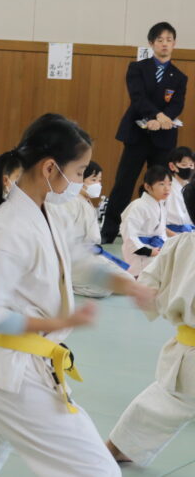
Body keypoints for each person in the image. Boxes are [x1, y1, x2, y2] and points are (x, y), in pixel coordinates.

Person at [0, 113, 152, 476]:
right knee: (97, 470)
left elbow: (79, 261)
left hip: (4, 367)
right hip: (11, 372)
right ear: (50, 168)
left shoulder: (47, 213)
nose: (81, 182)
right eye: (79, 172)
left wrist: (129, 284)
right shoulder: (6, 228)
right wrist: (58, 322)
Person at [106, 185, 195, 467]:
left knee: (165, 400)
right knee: (165, 401)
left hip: (185, 347)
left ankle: (115, 449)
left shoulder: (181, 243)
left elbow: (147, 285)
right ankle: (113, 449)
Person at [101, 22, 187, 244]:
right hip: (137, 135)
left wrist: (163, 119)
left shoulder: (179, 77)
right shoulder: (137, 68)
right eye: (160, 40)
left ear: (174, 44)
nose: (164, 44)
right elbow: (137, 97)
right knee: (124, 182)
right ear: (151, 43)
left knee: (159, 185)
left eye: (169, 40)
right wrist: (156, 116)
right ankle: (108, 231)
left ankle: (152, 231)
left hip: (164, 138)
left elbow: (177, 104)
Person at [51, 161, 128, 299]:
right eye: (93, 180)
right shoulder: (71, 202)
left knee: (127, 281)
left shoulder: (86, 202)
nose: (98, 184)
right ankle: (65, 283)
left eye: (99, 180)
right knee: (103, 289)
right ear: (80, 179)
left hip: (91, 255)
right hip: (74, 258)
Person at [120, 166, 170, 277]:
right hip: (141, 252)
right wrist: (148, 251)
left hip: (156, 248)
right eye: (162, 184)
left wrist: (163, 247)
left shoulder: (161, 204)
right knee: (145, 277)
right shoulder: (137, 206)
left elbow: (161, 232)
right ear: (147, 186)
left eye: (169, 184)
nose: (167, 188)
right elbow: (129, 234)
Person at [165, 146, 194, 234]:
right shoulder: (166, 188)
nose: (188, 168)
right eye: (184, 165)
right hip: (171, 233)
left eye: (191, 165)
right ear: (172, 166)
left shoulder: (192, 187)